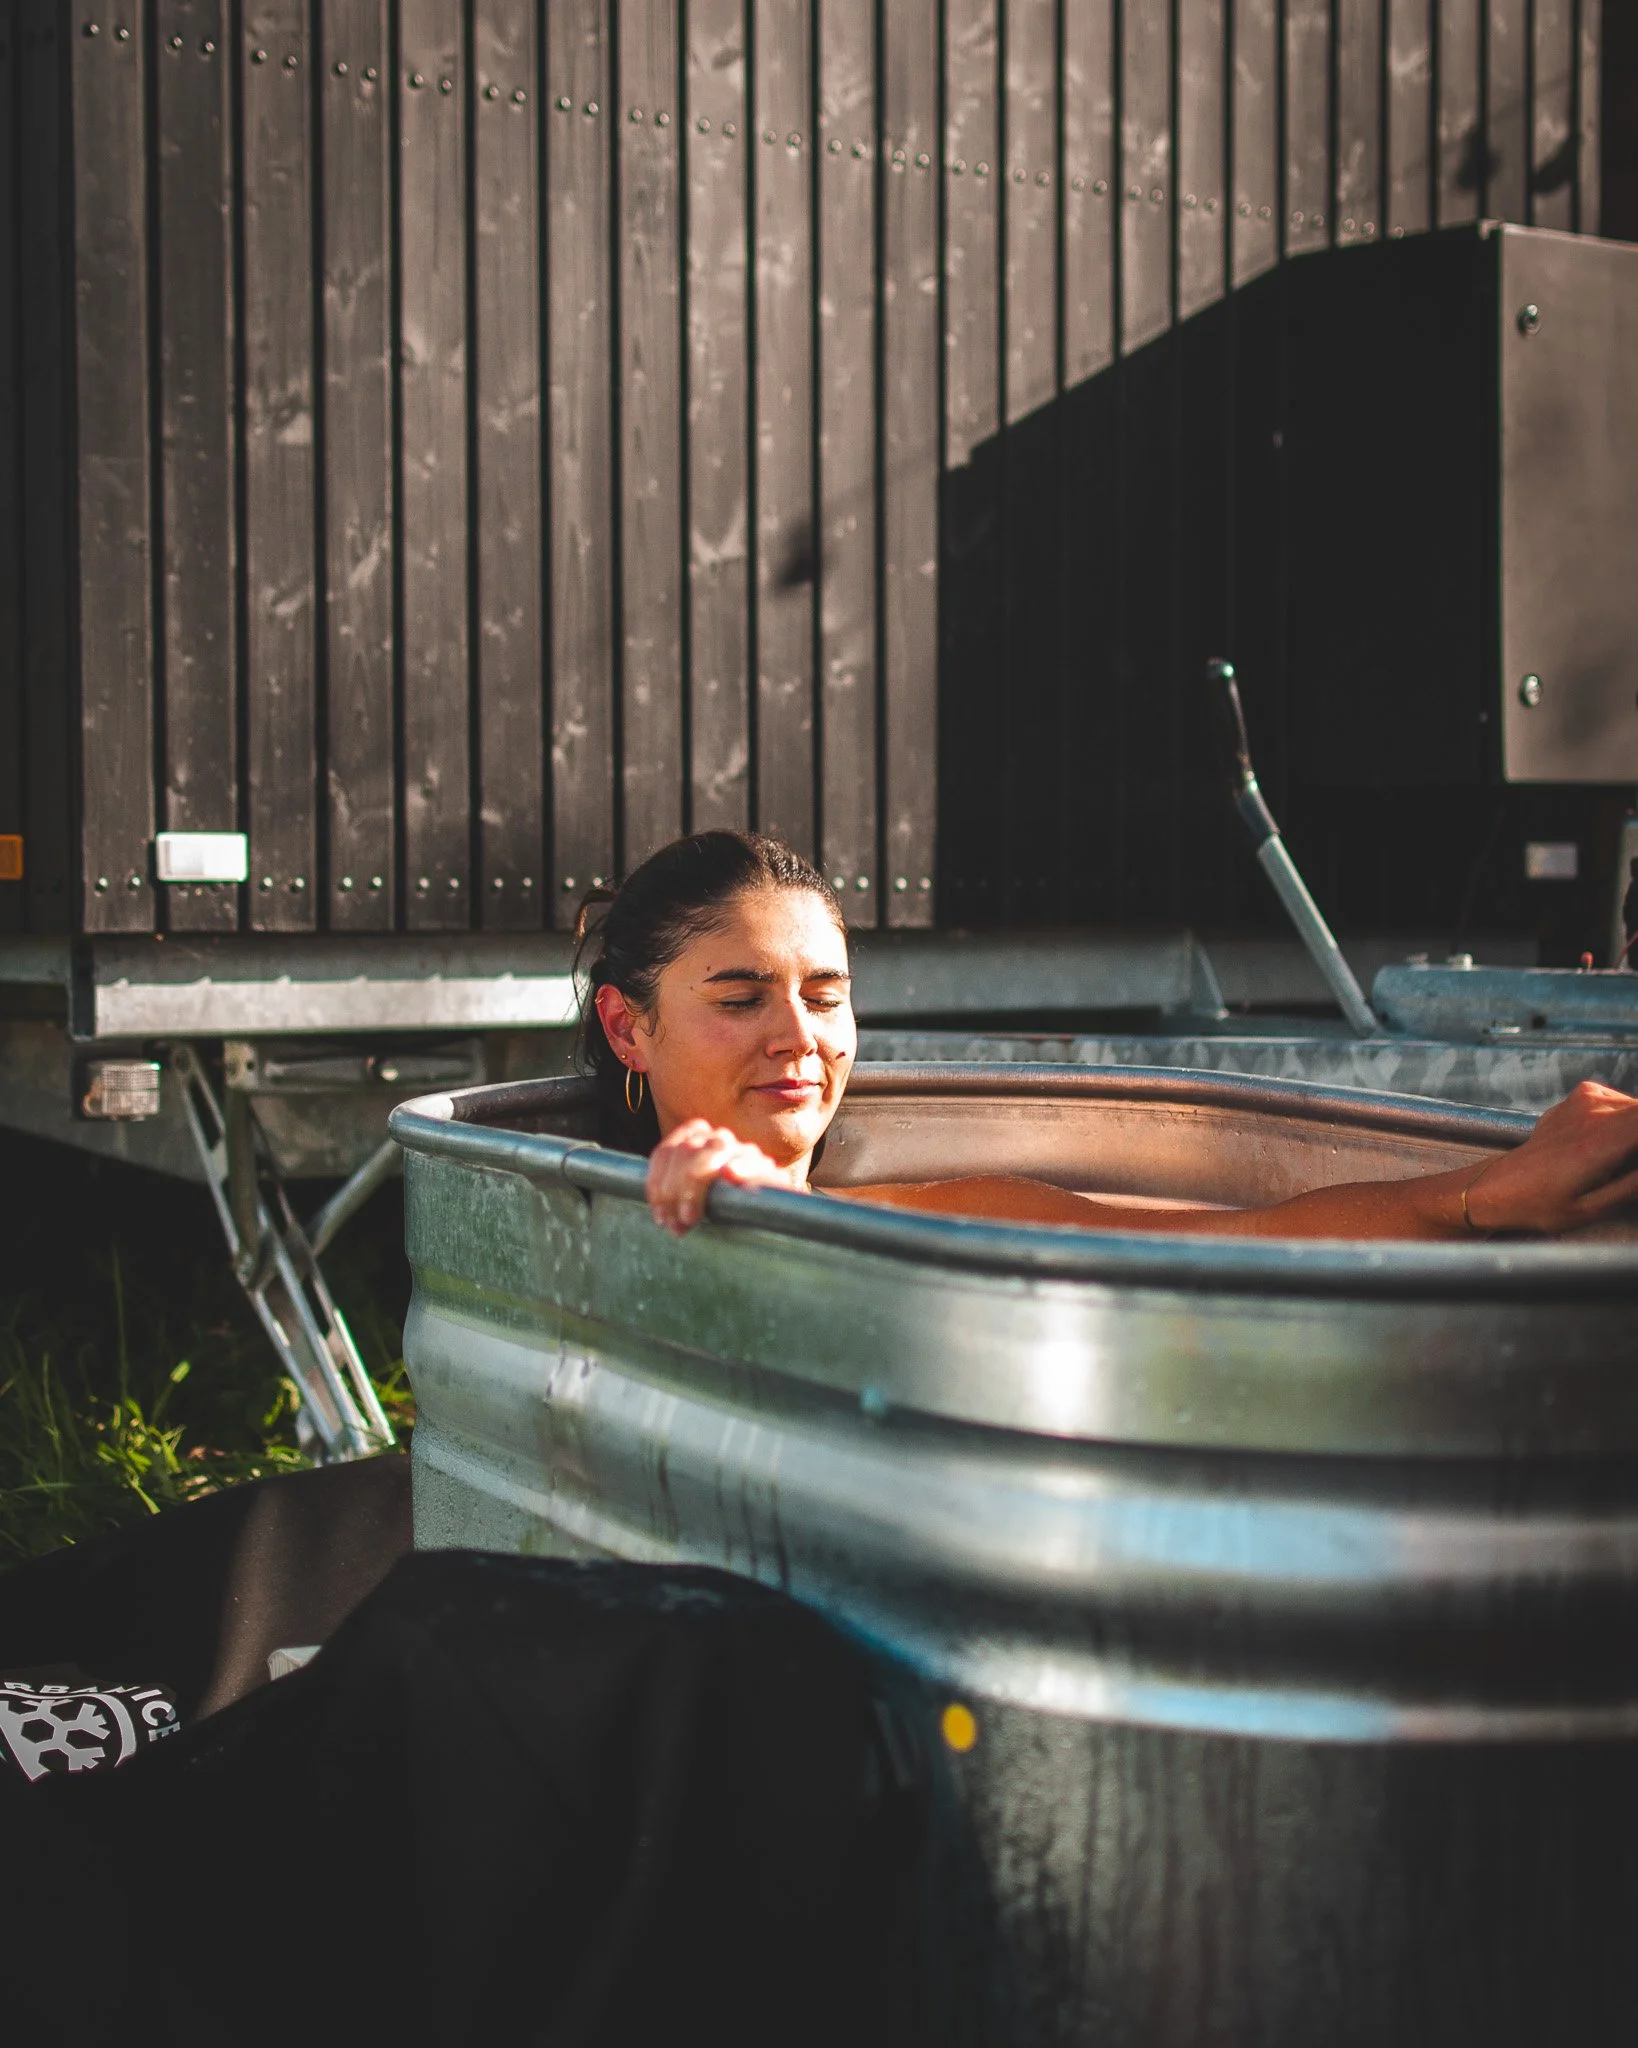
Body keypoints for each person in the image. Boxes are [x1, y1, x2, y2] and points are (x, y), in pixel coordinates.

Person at [577, 831, 1638, 1242]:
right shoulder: (565, 1203)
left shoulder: (943, 1218)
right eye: (742, 994)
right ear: (629, 1026)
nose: (798, 1035)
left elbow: (1242, 1236)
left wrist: (1484, 1192)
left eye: (824, 991)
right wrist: (702, 1183)